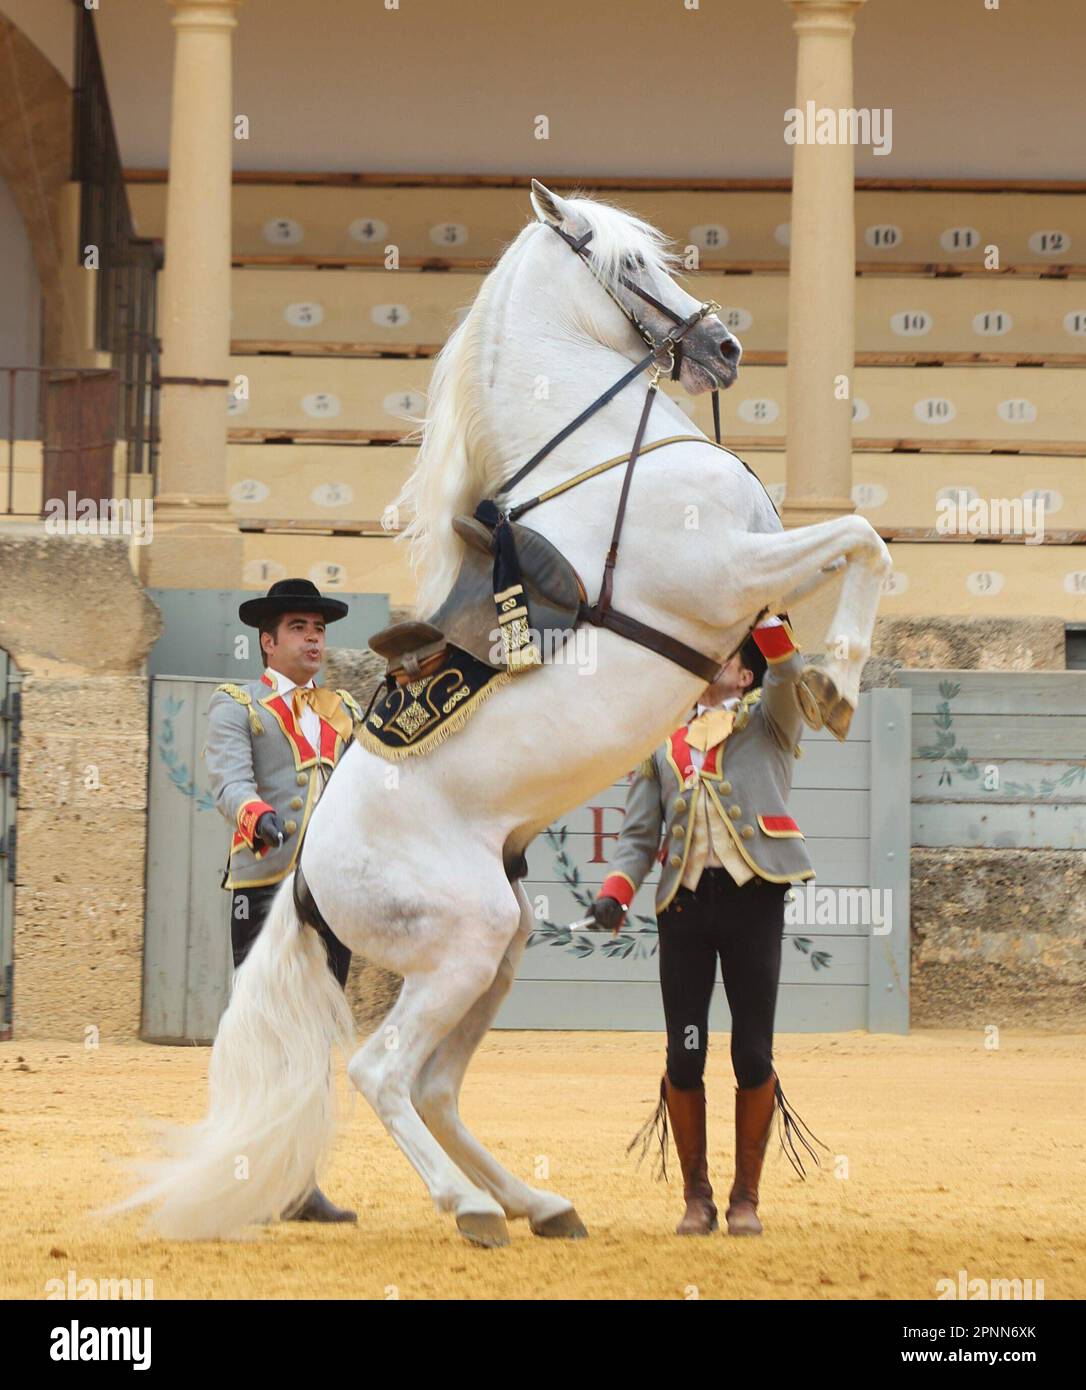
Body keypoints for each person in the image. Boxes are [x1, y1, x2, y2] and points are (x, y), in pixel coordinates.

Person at [590, 617, 822, 1236]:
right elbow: (640, 835)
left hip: (753, 901)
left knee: (751, 1049)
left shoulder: (771, 718)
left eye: (727, 653)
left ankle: (746, 1197)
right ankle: (697, 1197)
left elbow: (791, 673)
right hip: (686, 910)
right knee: (684, 1052)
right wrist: (616, 893)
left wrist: (766, 613)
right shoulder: (662, 742)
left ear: (746, 673)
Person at [204, 577, 364, 1223]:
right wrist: (258, 815)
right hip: (265, 887)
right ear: (268, 642)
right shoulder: (237, 702)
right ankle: (247, 1183)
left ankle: (299, 1186)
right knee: (265, 1033)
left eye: (319, 627)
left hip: (331, 894)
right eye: (299, 627)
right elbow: (226, 780)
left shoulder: (346, 709)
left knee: (314, 1037)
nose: (314, 637)